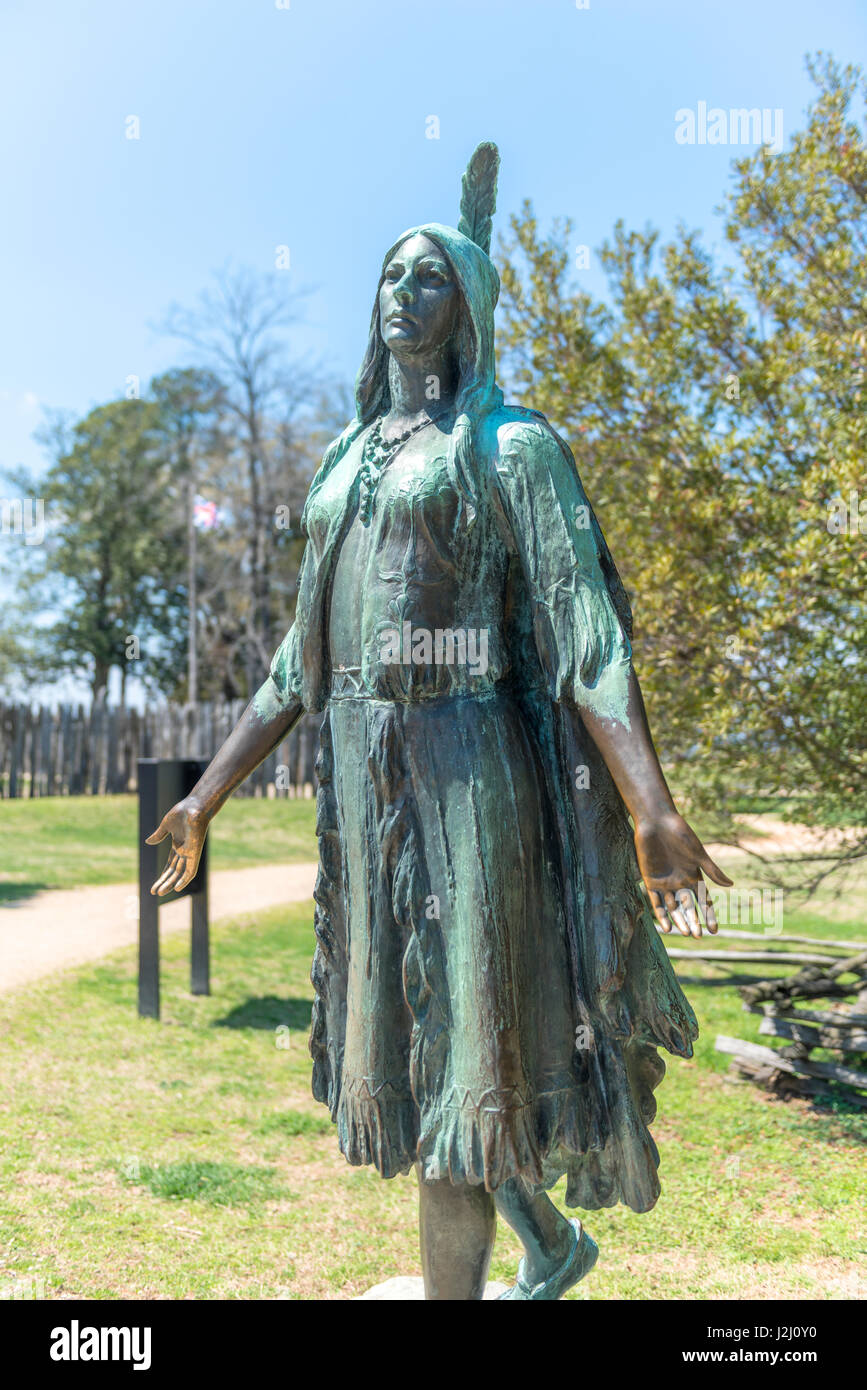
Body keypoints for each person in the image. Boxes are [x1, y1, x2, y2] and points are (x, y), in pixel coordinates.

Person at [148, 145, 731, 1301]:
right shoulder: (344, 461)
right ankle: (549, 1245)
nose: (400, 295)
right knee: (427, 1046)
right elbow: (292, 668)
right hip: (368, 785)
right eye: (388, 277)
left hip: (472, 774)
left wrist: (651, 808)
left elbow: (586, 639)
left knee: (468, 1049)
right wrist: (203, 798)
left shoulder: (510, 447)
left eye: (429, 278)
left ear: (470, 304)